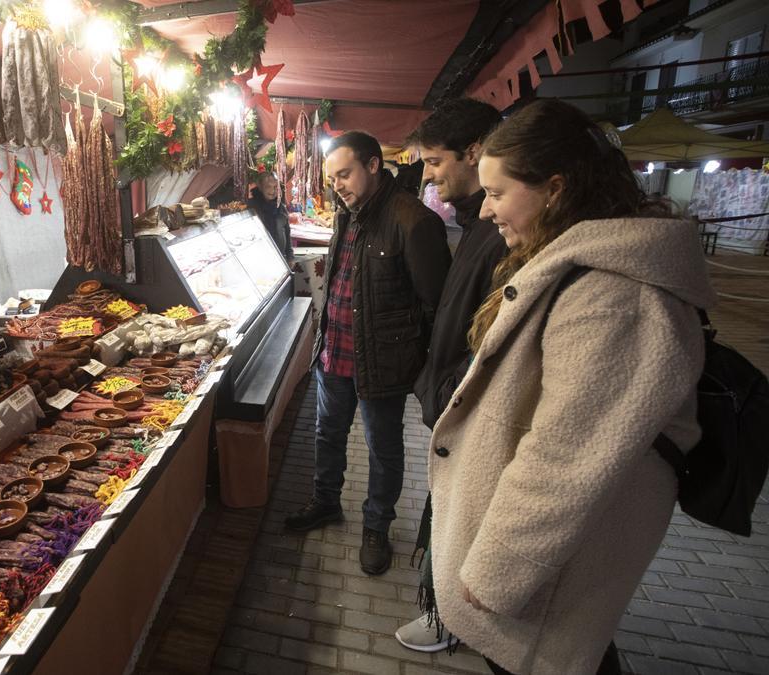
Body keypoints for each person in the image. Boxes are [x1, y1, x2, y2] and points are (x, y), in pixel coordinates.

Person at [428, 99, 715, 675]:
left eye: (498, 193)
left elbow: (568, 455)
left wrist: (500, 567)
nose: (485, 212)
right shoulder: (574, 262)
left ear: (555, 188)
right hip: (545, 563)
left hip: (545, 567)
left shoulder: (616, 294)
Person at [285, 131, 450, 577]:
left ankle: (376, 526)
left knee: (383, 448)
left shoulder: (413, 221)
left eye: (345, 173)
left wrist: (423, 366)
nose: (337, 184)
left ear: (374, 165)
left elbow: (436, 303)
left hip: (381, 361)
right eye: (332, 177)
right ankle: (325, 503)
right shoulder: (346, 214)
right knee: (327, 434)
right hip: (334, 353)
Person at [398, 98, 507, 652]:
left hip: (470, 413)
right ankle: (446, 612)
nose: (430, 175)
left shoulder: (501, 235)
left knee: (460, 520)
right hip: (452, 404)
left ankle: (453, 620)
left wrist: (443, 387)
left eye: (435, 161)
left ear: (475, 152)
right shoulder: (478, 225)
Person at [246, 172, 292, 258]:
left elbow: (287, 233)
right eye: (268, 187)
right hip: (260, 258)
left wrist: (290, 256)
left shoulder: (281, 207)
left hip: (280, 258)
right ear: (261, 188)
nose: (272, 191)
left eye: (275, 187)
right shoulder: (252, 207)